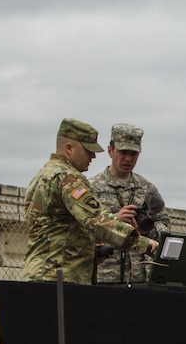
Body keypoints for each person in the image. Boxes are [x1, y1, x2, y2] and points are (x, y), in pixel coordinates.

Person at [22, 118, 156, 285]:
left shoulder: (43, 176)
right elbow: (98, 220)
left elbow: (55, 230)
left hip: (41, 273)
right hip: (61, 278)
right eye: (88, 150)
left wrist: (89, 251)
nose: (93, 156)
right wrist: (145, 244)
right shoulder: (68, 179)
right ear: (69, 148)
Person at [89, 124, 170, 284]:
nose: (128, 158)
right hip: (104, 276)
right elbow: (82, 230)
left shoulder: (147, 189)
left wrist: (147, 231)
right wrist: (114, 221)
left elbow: (166, 228)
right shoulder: (92, 188)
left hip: (139, 276)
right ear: (110, 150)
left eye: (133, 153)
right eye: (123, 152)